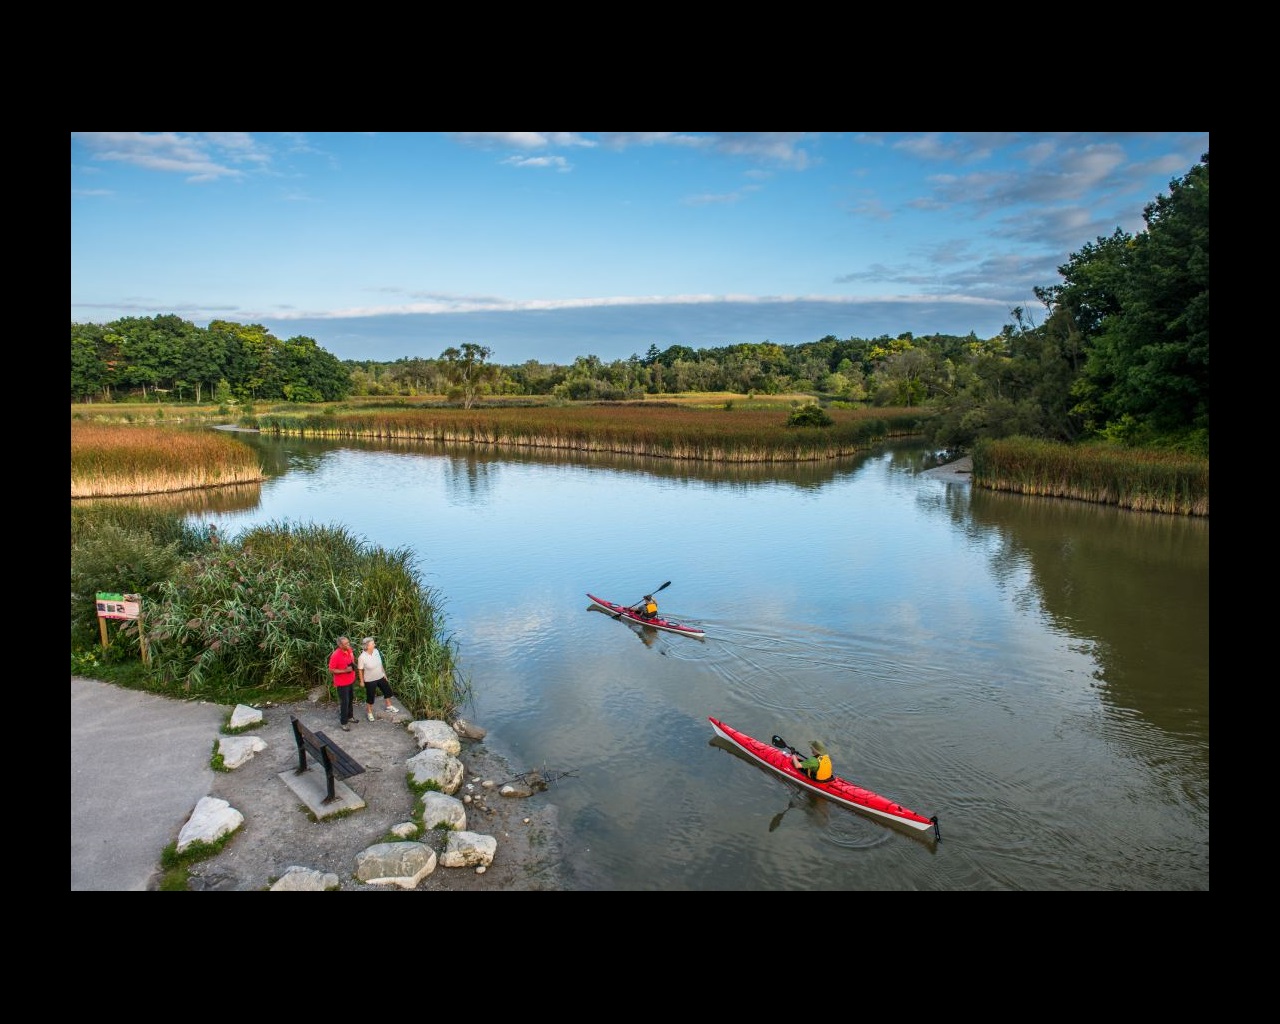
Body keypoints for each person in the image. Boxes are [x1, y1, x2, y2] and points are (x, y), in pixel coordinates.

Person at [358, 637, 400, 721]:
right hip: (370, 680)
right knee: (370, 697)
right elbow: (360, 670)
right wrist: (362, 681)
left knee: (387, 691)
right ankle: (369, 712)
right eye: (372, 644)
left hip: (380, 676)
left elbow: (380, 663)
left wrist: (384, 674)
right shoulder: (362, 657)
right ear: (367, 646)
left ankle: (388, 706)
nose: (374, 644)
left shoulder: (376, 651)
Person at [328, 636, 359, 731]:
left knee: (350, 700)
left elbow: (351, 660)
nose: (348, 645)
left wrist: (354, 665)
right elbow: (331, 670)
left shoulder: (349, 650)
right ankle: (344, 722)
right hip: (342, 683)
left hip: (350, 680)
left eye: (348, 642)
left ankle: (350, 717)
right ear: (340, 645)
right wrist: (345, 670)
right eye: (346, 644)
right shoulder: (335, 655)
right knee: (344, 702)